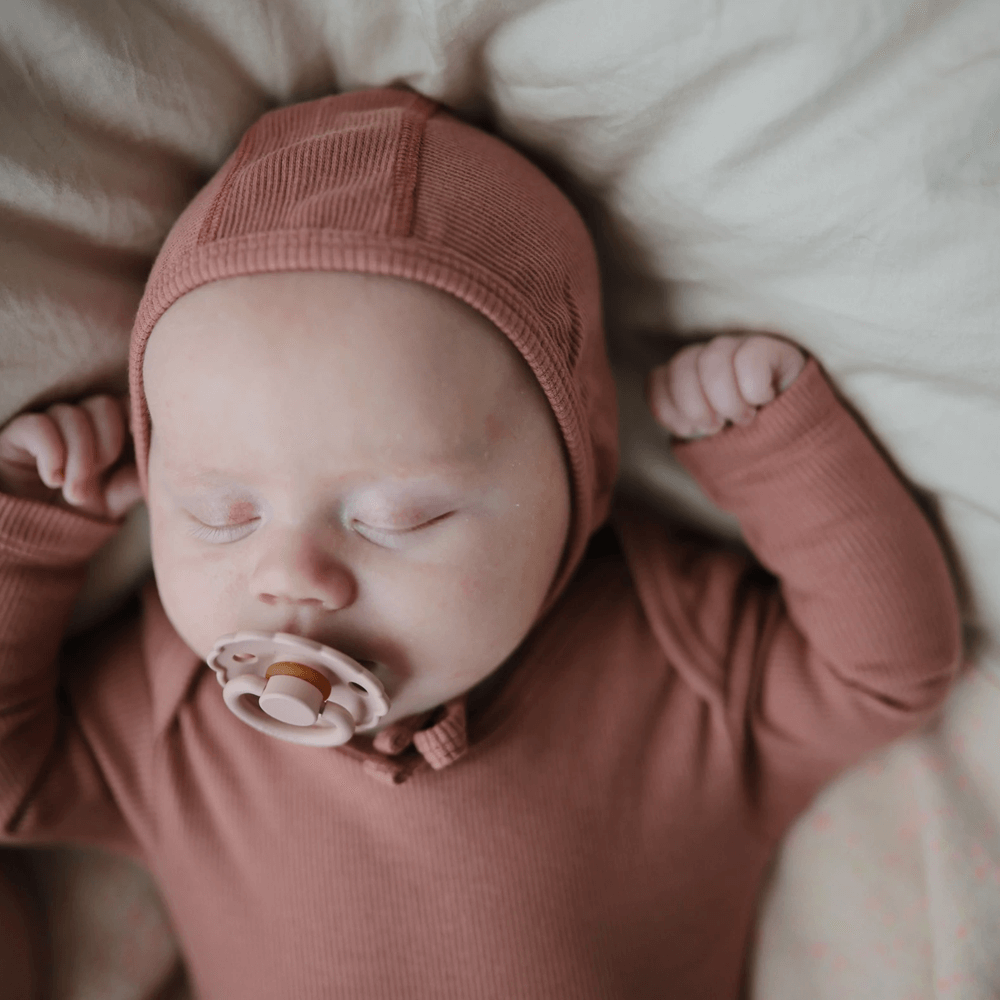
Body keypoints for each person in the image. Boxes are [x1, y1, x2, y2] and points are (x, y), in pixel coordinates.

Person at [0, 86, 962, 999]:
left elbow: (889, 672)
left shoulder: (674, 659)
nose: (288, 573)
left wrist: (781, 458)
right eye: (220, 514)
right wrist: (32, 537)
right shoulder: (170, 718)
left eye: (398, 517)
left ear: (578, 479)